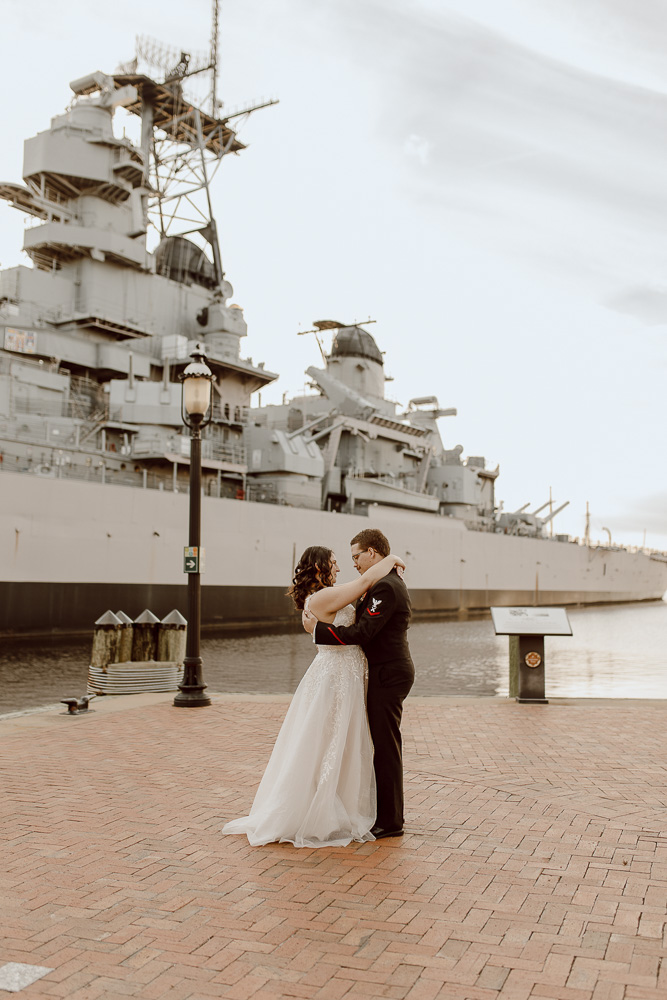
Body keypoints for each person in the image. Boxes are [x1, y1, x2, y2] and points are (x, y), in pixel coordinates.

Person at [221, 545, 404, 847]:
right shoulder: (321, 597)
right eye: (333, 563)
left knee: (341, 742)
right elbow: (362, 585)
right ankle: (320, 810)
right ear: (319, 569)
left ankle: (340, 802)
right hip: (336, 678)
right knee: (329, 742)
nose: (340, 568)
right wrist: (391, 560)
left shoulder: (327, 595)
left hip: (344, 675)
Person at [302, 529, 414, 839]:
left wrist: (320, 632)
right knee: (379, 743)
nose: (353, 564)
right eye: (348, 559)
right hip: (380, 671)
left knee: (386, 746)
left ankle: (391, 822)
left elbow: (364, 633)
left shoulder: (386, 588)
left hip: (388, 673)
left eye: (356, 557)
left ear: (372, 554)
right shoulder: (380, 584)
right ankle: (384, 814)